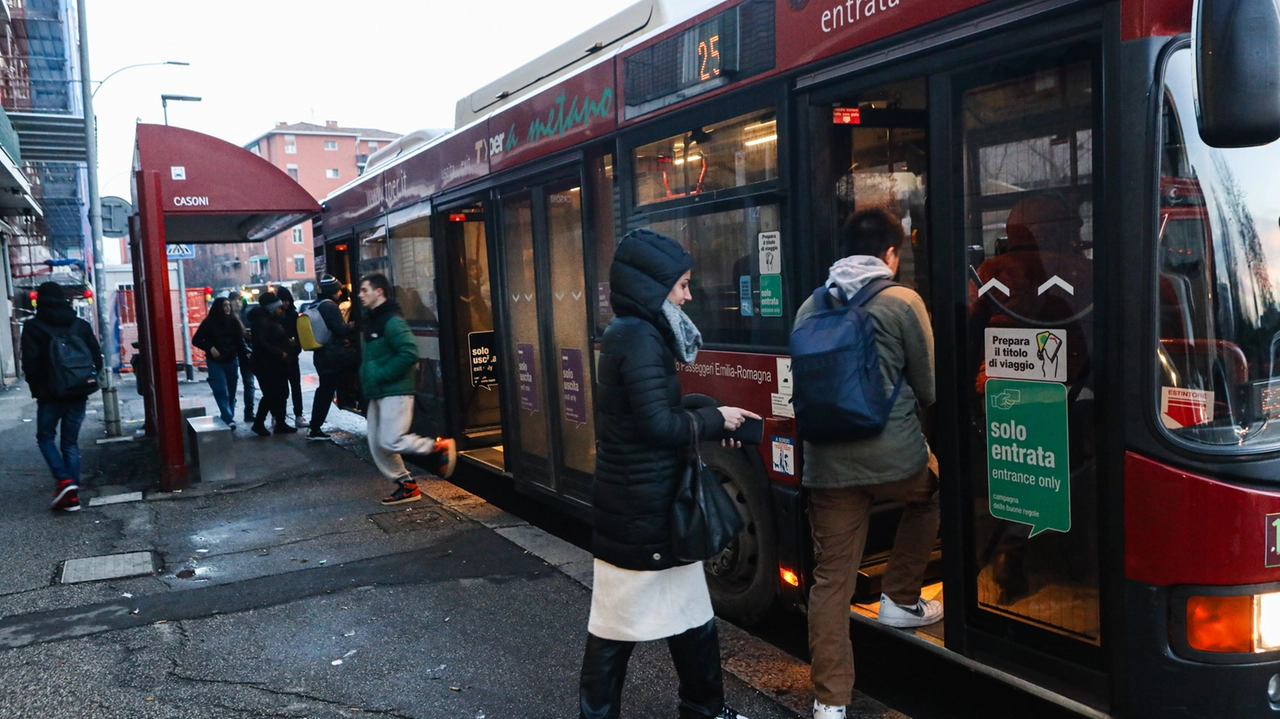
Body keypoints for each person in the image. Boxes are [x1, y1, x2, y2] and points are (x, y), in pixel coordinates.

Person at [580, 228, 758, 719]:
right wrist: (711, 420)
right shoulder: (637, 337)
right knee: (615, 627)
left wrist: (707, 411)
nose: (687, 294)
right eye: (680, 284)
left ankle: (705, 709)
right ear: (650, 287)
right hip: (643, 507)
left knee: (691, 616)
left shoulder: (635, 333)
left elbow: (651, 410)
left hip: (653, 501)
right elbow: (657, 425)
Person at [796, 209, 940, 719]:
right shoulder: (903, 301)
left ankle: (829, 703)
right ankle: (899, 599)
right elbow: (928, 388)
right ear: (891, 254)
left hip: (827, 466)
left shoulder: (809, 307)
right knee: (931, 494)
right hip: (897, 460)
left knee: (831, 581)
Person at [357, 273, 456, 504]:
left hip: (394, 390)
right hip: (378, 391)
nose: (360, 295)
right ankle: (407, 486)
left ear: (378, 292)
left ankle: (437, 447)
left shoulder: (392, 321)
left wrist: (381, 375)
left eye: (364, 290)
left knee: (391, 441)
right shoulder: (373, 320)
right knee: (377, 444)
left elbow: (409, 353)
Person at [21, 281, 102, 512]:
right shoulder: (80, 325)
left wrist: (39, 388)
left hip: (50, 394)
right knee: (70, 443)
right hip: (78, 392)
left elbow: (30, 364)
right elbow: (97, 358)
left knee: (45, 437)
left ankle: (64, 480)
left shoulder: (33, 327)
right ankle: (72, 495)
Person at [307, 275, 359, 441]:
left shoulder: (316, 304)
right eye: (337, 289)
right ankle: (314, 428)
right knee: (360, 360)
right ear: (332, 291)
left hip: (323, 356)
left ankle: (314, 427)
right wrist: (356, 324)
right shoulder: (330, 306)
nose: (339, 292)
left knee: (325, 390)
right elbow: (340, 329)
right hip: (334, 355)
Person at [192, 296, 247, 429]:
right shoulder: (209, 322)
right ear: (218, 308)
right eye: (224, 306)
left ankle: (229, 416)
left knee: (231, 389)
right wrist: (210, 348)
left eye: (229, 305)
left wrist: (246, 352)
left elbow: (239, 340)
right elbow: (197, 339)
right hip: (215, 361)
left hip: (231, 359)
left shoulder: (234, 321)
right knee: (220, 389)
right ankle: (228, 418)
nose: (228, 308)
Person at [248, 292, 296, 437]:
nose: (281, 310)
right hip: (267, 365)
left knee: (281, 393)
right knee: (271, 395)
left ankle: (280, 422)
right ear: (272, 308)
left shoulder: (270, 320)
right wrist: (280, 353)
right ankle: (259, 423)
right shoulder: (262, 322)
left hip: (276, 365)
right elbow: (261, 343)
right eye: (279, 307)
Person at [276, 287, 307, 428]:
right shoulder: (276, 317)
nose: (285, 303)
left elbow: (300, 335)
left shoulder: (293, 315)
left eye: (287, 300)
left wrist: (295, 350)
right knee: (282, 389)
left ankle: (298, 414)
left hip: (292, 356)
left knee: (295, 387)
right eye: (283, 300)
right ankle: (279, 415)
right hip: (281, 357)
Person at [232, 295, 256, 423]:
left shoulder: (246, 316)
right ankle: (229, 414)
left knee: (249, 382)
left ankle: (249, 411)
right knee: (231, 384)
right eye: (234, 300)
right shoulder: (227, 318)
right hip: (231, 354)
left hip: (246, 353)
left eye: (239, 300)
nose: (237, 303)